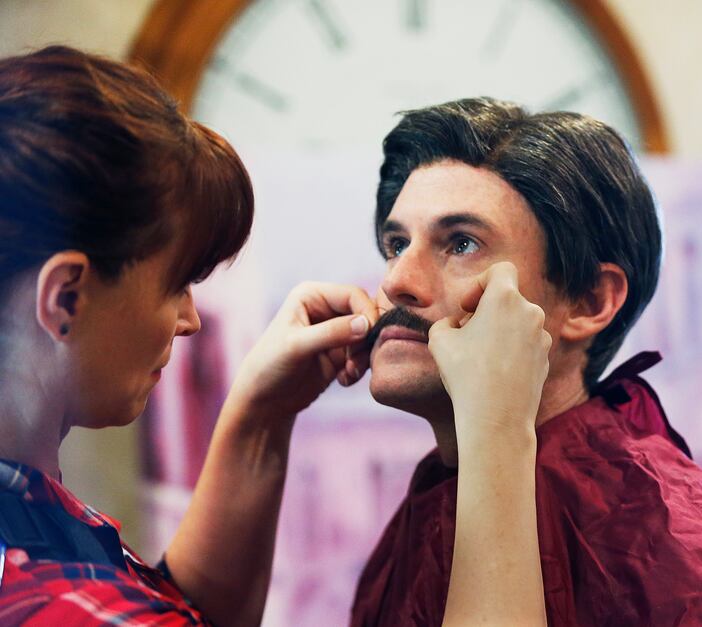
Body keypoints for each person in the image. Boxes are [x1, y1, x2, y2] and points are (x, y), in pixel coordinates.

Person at [0, 48, 550, 626]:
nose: (189, 319)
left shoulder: (37, 518)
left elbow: (183, 613)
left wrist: (262, 414)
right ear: (66, 297)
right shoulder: (47, 600)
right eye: (176, 284)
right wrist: (497, 433)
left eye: (460, 243)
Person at [351, 97, 702, 626]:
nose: (396, 281)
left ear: (590, 301)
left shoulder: (699, 573)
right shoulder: (416, 524)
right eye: (397, 243)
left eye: (462, 243)